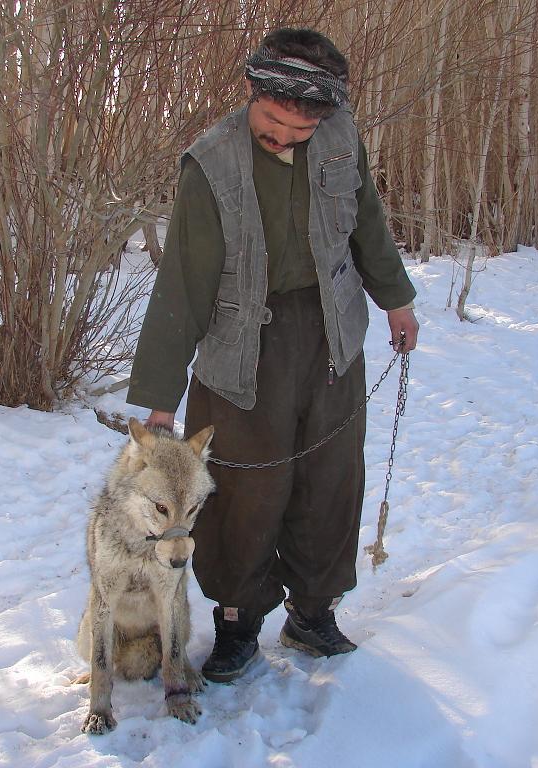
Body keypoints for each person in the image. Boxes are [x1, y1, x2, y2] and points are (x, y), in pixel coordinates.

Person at [126, 28, 419, 683]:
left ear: (324, 117)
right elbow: (183, 284)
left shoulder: (341, 139)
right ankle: (238, 623)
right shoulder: (211, 164)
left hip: (331, 337)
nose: (283, 138)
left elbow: (366, 225)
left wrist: (396, 299)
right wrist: (158, 402)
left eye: (299, 129)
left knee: (330, 481)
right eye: (271, 122)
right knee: (247, 494)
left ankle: (313, 613)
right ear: (252, 92)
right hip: (241, 351)